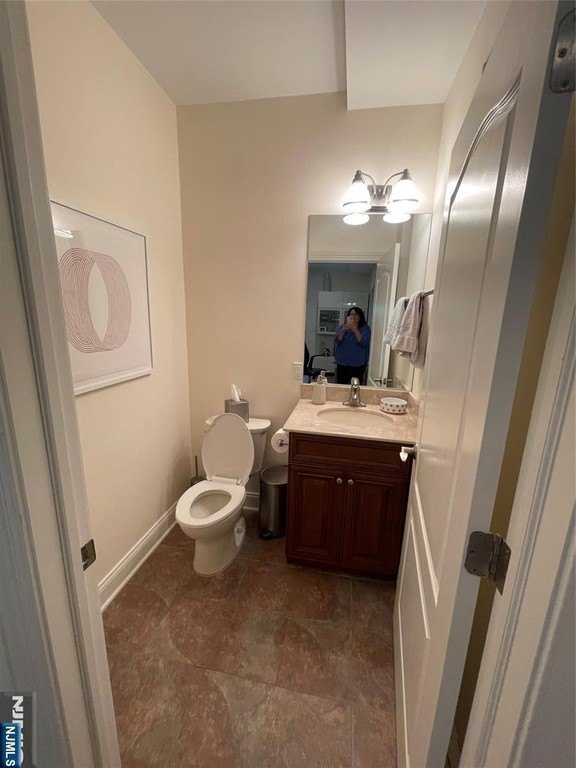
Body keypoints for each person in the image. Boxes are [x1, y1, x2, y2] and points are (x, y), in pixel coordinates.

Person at [334, 307, 371, 384]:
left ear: (360, 317)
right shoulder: (342, 327)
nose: (353, 316)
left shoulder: (365, 328)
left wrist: (355, 330)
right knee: (341, 384)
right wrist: (344, 330)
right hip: (342, 362)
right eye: (351, 314)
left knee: (355, 385)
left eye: (356, 314)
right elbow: (337, 340)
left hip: (357, 363)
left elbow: (364, 342)